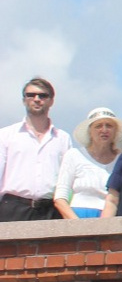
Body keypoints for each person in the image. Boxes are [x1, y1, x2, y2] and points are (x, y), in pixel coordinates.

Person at [0, 78, 72, 222]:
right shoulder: (6, 135)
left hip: (50, 210)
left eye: (42, 95)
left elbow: (67, 180)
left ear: (51, 101)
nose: (36, 99)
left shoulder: (63, 138)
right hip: (13, 208)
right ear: (24, 100)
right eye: (31, 95)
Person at [54, 107, 120, 219]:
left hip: (110, 218)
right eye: (98, 126)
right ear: (89, 131)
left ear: (115, 131)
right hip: (76, 217)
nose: (104, 130)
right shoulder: (74, 155)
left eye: (109, 126)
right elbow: (60, 198)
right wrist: (77, 225)